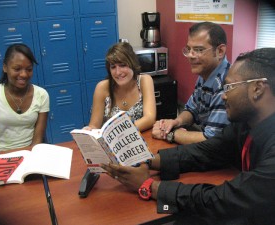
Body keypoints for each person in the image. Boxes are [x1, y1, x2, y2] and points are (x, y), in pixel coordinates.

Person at [101, 48, 275, 224]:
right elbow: (208, 151)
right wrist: (147, 160)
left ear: (258, 89)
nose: (223, 96)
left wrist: (150, 186)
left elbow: (224, 200)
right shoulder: (246, 124)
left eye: (229, 87)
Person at [152, 22, 230, 145]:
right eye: (189, 49)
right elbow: (192, 110)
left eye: (199, 50)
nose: (190, 56)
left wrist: (169, 134)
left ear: (220, 51)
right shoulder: (205, 74)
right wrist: (175, 123)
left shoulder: (226, 84)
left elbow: (212, 139)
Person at [0, 43, 49, 152]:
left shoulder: (42, 95)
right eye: (17, 69)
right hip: (1, 155)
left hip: (29, 153)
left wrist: (29, 157)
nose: (24, 74)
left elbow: (38, 139)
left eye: (29, 69)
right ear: (5, 67)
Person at [83, 42, 156, 132]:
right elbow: (94, 125)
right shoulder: (102, 87)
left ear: (132, 63)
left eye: (122, 65)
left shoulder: (144, 81)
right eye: (113, 67)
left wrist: (120, 132)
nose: (118, 72)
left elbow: (150, 118)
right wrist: (89, 130)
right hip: (110, 144)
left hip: (139, 141)